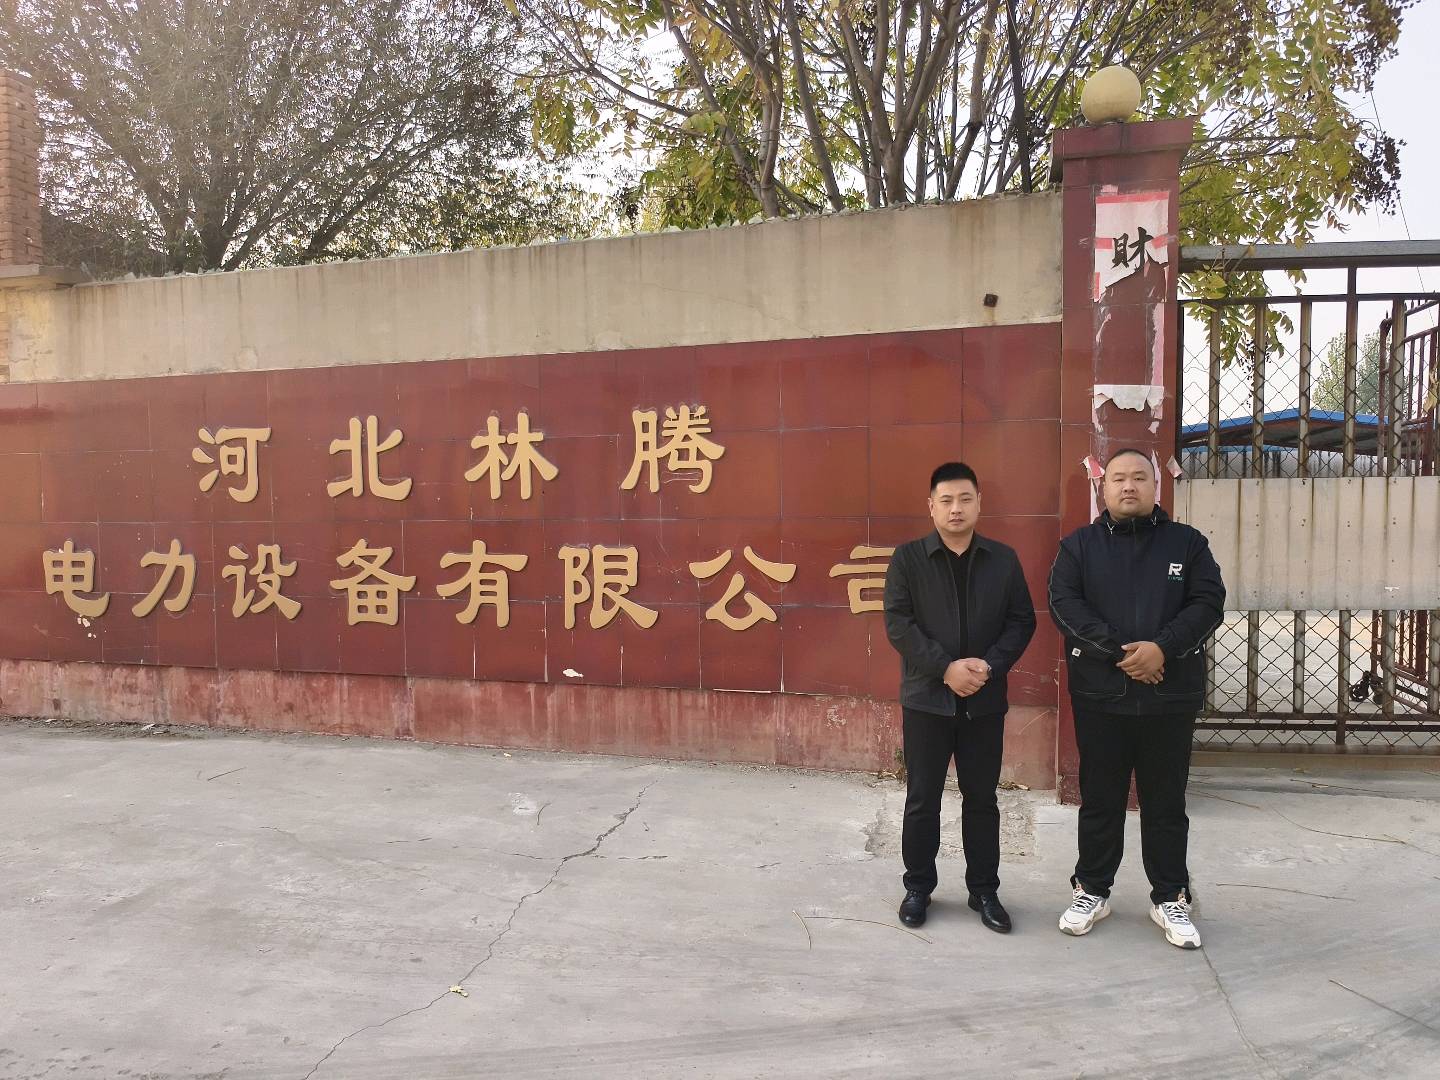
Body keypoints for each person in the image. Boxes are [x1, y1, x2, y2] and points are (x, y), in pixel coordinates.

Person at [1047, 448, 1225, 949]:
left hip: (1170, 696)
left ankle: (1170, 895)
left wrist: (1161, 649)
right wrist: (1122, 653)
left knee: (1165, 801)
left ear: (1155, 487)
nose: (1129, 486)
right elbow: (1064, 604)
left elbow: (1208, 602)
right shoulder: (1078, 547)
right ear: (1103, 489)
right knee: (1100, 798)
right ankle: (1092, 889)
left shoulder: (1188, 544)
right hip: (1101, 696)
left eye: (1140, 478)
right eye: (1119, 479)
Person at [883, 461, 1036, 932]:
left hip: (984, 701)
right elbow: (898, 624)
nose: (955, 509)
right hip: (926, 701)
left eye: (964, 499)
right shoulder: (908, 559)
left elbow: (1021, 621)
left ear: (978, 504)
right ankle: (918, 887)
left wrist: (989, 666)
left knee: (982, 799)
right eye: (946, 500)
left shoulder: (1003, 560)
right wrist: (945, 668)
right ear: (931, 506)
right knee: (922, 798)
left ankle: (983, 890)